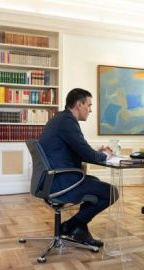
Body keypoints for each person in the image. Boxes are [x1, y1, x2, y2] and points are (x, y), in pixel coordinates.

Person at [39, 88, 118, 247]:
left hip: (51, 179)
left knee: (94, 182)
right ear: (79, 104)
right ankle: (69, 226)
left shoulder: (61, 119)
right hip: (61, 182)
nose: (90, 110)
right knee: (111, 192)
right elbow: (86, 154)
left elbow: (80, 151)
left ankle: (79, 228)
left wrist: (95, 153)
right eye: (88, 105)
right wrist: (106, 156)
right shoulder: (67, 122)